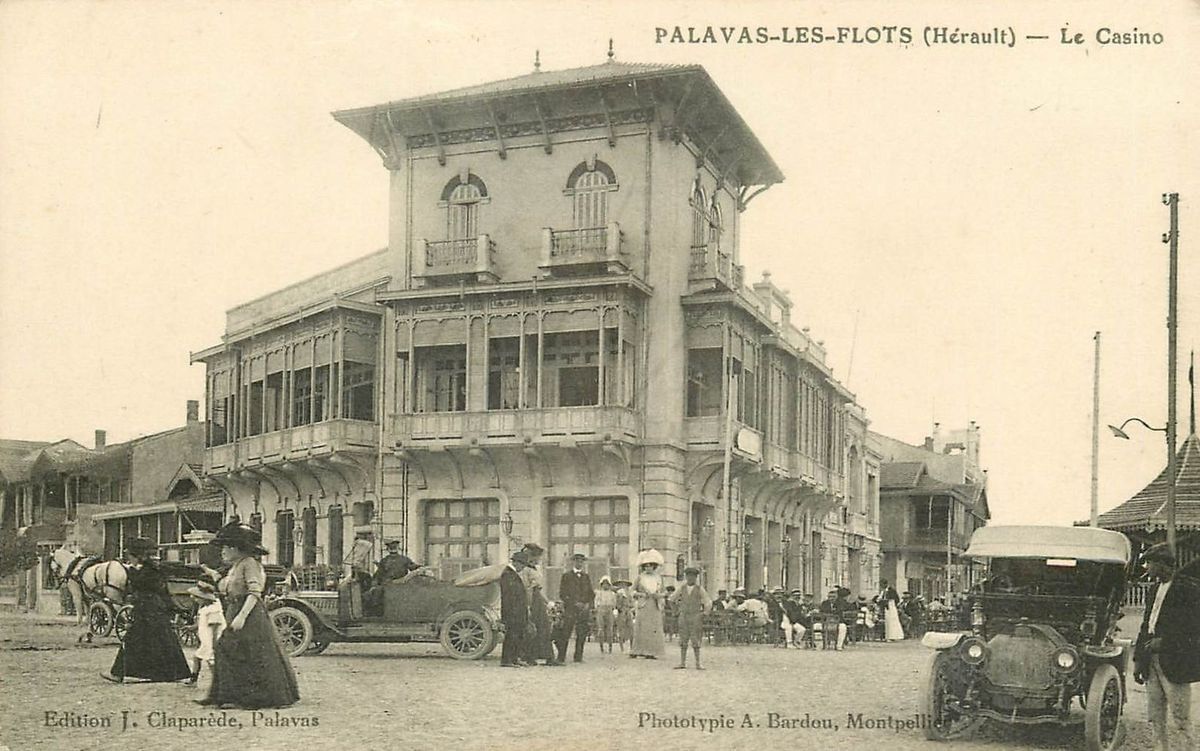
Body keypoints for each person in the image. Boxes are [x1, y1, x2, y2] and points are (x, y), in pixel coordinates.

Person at [200, 522, 299, 708]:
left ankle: (247, 697)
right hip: (235, 610)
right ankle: (225, 695)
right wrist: (214, 578)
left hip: (250, 614)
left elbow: (254, 592)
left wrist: (242, 617)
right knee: (230, 650)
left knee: (244, 652)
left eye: (226, 547)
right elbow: (228, 587)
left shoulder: (249, 564)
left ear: (238, 548)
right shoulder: (236, 566)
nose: (223, 551)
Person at [1133, 542, 1200, 751]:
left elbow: (1194, 627)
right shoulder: (1154, 589)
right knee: (1155, 715)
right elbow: (1146, 624)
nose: (1148, 568)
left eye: (1150, 564)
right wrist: (1138, 660)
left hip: (1175, 661)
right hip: (1151, 660)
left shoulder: (1188, 589)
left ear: (1163, 564)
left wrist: (1166, 642)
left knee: (1180, 717)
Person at [101, 537, 192, 684]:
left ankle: (117, 674)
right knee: (162, 639)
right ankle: (173, 673)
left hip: (148, 608)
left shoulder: (147, 571)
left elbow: (142, 585)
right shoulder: (150, 569)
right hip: (152, 608)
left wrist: (132, 572)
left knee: (133, 639)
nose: (129, 559)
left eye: (130, 556)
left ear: (138, 556)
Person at [555, 551, 595, 664]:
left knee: (582, 633)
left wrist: (587, 604)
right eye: (577, 561)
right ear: (573, 562)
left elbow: (591, 593)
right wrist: (573, 603)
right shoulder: (566, 576)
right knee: (565, 633)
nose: (579, 563)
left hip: (583, 610)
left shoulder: (586, 577)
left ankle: (578, 657)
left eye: (581, 561)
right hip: (571, 609)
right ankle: (561, 657)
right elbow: (562, 594)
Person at [185, 579, 226, 686]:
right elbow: (202, 623)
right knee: (197, 657)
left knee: (211, 660)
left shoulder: (214, 609)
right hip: (206, 640)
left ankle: (218, 682)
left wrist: (214, 644)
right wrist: (193, 627)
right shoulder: (204, 608)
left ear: (204, 598)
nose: (195, 600)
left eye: (197, 598)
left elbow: (215, 627)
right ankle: (194, 679)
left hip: (212, 640)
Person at [365, 540, 420, 615]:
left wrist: (374, 584)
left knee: (376, 593)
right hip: (395, 585)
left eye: (394, 546)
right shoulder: (395, 560)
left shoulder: (393, 560)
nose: (393, 548)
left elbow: (378, 574)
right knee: (375, 592)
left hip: (394, 585)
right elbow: (379, 574)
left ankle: (375, 612)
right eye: (392, 546)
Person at [669, 566, 709, 669]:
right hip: (684, 616)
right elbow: (671, 599)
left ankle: (698, 663)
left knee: (696, 640)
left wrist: (704, 613)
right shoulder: (682, 588)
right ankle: (682, 662)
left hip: (695, 616)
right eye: (689, 576)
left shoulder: (700, 589)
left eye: (693, 576)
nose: (690, 578)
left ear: (696, 578)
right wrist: (675, 611)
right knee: (683, 639)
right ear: (686, 577)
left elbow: (708, 602)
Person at [630, 551, 666, 659]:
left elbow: (664, 593)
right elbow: (632, 591)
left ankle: (652, 651)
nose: (648, 567)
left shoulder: (659, 578)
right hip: (644, 604)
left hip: (654, 605)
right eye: (645, 566)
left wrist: (658, 595)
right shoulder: (640, 578)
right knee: (642, 627)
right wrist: (641, 594)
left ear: (654, 566)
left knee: (653, 628)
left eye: (650, 565)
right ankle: (638, 650)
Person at [499, 551, 531, 667]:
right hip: (512, 612)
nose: (523, 568)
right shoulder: (508, 574)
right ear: (516, 563)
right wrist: (510, 614)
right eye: (522, 565)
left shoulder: (513, 575)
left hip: (517, 611)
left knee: (517, 635)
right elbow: (508, 597)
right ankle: (507, 660)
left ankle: (514, 658)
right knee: (511, 636)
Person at [593, 576, 619, 654]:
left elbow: (614, 603)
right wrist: (598, 609)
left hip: (609, 610)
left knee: (610, 629)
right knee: (600, 629)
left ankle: (610, 647)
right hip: (601, 609)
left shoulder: (612, 594)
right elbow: (596, 602)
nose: (605, 586)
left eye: (607, 584)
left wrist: (611, 608)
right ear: (601, 585)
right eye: (604, 584)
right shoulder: (599, 593)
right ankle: (602, 648)